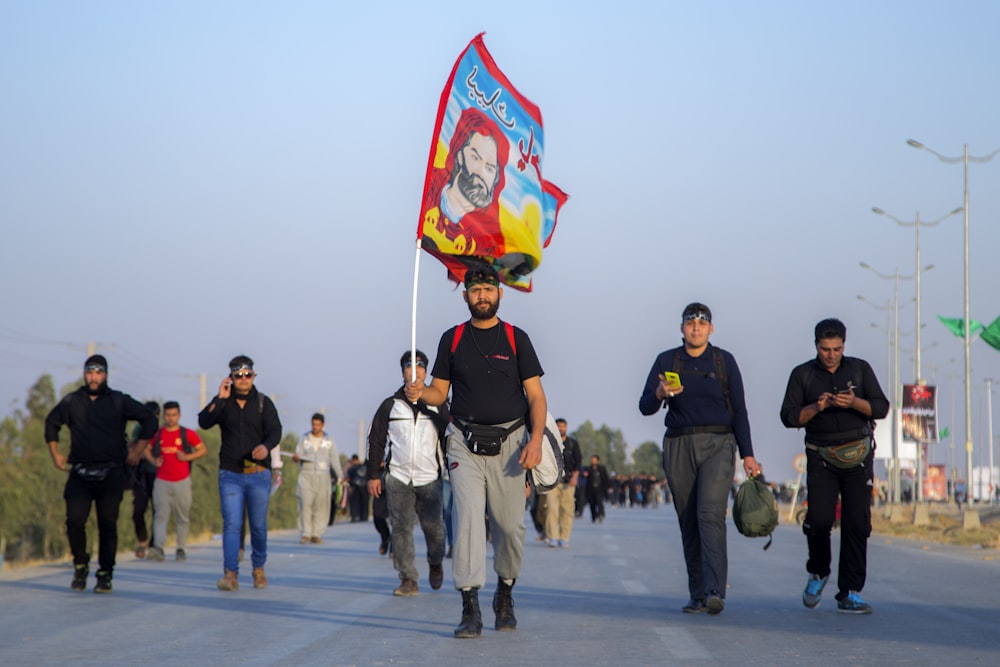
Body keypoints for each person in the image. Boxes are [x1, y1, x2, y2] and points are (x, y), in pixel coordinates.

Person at [404, 262, 547, 638]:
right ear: (465, 295)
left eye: (488, 289)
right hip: (463, 443)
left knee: (509, 526)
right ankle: (470, 606)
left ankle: (505, 592)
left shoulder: (517, 339)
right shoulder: (452, 339)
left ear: (500, 293)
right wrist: (420, 392)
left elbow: (536, 396)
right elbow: (439, 393)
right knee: (466, 519)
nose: (481, 296)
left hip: (513, 444)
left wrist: (535, 440)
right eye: (474, 290)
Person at [639, 302, 761, 616]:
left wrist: (747, 454)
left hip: (718, 444)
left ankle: (714, 591)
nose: (696, 328)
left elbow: (740, 410)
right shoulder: (667, 360)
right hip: (679, 444)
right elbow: (644, 406)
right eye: (690, 323)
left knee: (709, 514)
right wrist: (659, 394)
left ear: (711, 329)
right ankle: (697, 594)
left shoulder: (724, 361)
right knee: (688, 520)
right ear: (682, 328)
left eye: (702, 324)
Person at [780, 318, 889, 614]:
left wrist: (854, 402)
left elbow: (881, 407)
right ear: (816, 346)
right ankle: (818, 572)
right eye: (826, 349)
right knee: (818, 520)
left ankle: (850, 592)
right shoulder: (802, 375)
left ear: (844, 344)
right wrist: (818, 406)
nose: (831, 354)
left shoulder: (859, 369)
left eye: (837, 348)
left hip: (859, 456)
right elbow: (789, 417)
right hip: (821, 457)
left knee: (857, 523)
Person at [44, 355, 158, 593]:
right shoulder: (73, 401)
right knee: (74, 521)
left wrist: (138, 450)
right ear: (84, 374)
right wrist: (55, 454)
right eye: (89, 372)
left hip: (111, 472)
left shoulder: (118, 400)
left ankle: (105, 573)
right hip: (80, 472)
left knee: (108, 524)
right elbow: (51, 423)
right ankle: (81, 564)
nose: (93, 377)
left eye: (98, 373)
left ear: (105, 374)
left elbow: (148, 418)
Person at [367, 349, 451, 596]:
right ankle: (408, 578)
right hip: (398, 477)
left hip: (430, 478)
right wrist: (373, 474)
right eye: (409, 366)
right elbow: (375, 441)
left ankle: (435, 563)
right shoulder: (390, 406)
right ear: (402, 371)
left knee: (434, 527)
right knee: (401, 528)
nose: (415, 371)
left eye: (420, 366)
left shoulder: (439, 406)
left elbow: (450, 439)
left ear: (426, 371)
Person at [198, 355, 282, 592]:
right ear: (231, 378)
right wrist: (219, 398)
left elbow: (276, 431)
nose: (243, 379)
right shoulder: (223, 403)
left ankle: (258, 569)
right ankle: (230, 574)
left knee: (257, 525)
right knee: (232, 524)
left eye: (247, 375)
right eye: (238, 376)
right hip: (230, 474)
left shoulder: (264, 403)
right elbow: (204, 421)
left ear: (253, 376)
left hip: (258, 474)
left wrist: (265, 446)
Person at [420, 108, 511, 284]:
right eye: (475, 158)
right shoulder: (431, 192)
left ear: (495, 180)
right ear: (459, 155)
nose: (480, 173)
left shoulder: (490, 236)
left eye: (490, 168)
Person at [144, 401, 207, 562]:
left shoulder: (187, 434)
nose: (170, 418)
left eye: (174, 415)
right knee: (160, 515)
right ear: (164, 415)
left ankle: (181, 548)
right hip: (162, 481)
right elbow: (146, 449)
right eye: (168, 415)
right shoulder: (158, 435)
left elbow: (202, 449)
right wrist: (153, 460)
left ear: (179, 416)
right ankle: (158, 547)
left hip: (182, 480)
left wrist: (187, 457)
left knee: (182, 516)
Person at [293, 413, 343, 545]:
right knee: (305, 504)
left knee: (321, 505)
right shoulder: (304, 439)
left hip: (323, 476)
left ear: (323, 425)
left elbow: (334, 459)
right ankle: (306, 533)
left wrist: (340, 475)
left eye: (318, 425)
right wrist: (296, 459)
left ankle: (316, 533)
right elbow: (298, 455)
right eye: (313, 424)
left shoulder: (329, 440)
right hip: (306, 475)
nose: (315, 427)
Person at [128, 400, 160, 559]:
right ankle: (142, 540)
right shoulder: (138, 429)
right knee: (138, 511)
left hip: (158, 475)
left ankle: (154, 544)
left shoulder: (162, 432)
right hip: (140, 475)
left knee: (158, 511)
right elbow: (132, 448)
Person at [543, 418, 581, 547]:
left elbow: (578, 462)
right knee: (552, 509)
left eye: (563, 427)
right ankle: (553, 536)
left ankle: (564, 537)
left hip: (568, 483)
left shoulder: (573, 443)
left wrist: (575, 477)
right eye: (558, 426)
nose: (560, 429)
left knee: (567, 510)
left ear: (566, 428)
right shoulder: (549, 442)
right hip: (552, 482)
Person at [584, 455, 610, 523]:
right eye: (592, 460)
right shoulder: (588, 469)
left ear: (598, 461)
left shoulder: (602, 469)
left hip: (600, 489)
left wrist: (608, 487)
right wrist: (584, 475)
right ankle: (594, 516)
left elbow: (605, 478)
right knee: (592, 504)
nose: (593, 461)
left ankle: (601, 514)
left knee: (599, 502)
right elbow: (583, 476)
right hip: (591, 489)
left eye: (594, 460)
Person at [346, 455, 369, 522]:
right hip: (363, 486)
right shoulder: (362, 467)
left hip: (355, 487)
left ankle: (355, 517)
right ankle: (363, 517)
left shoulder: (352, 468)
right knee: (364, 502)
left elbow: (349, 478)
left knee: (355, 502)